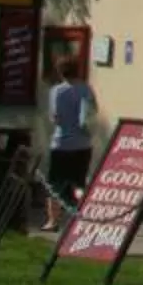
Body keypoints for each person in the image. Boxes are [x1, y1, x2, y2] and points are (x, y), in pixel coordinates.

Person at [43, 56, 95, 231]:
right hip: (82, 143)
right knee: (79, 183)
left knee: (54, 184)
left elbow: (55, 118)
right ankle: (80, 218)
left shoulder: (56, 91)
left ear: (60, 72)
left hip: (61, 144)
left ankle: (53, 221)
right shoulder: (86, 89)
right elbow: (92, 113)